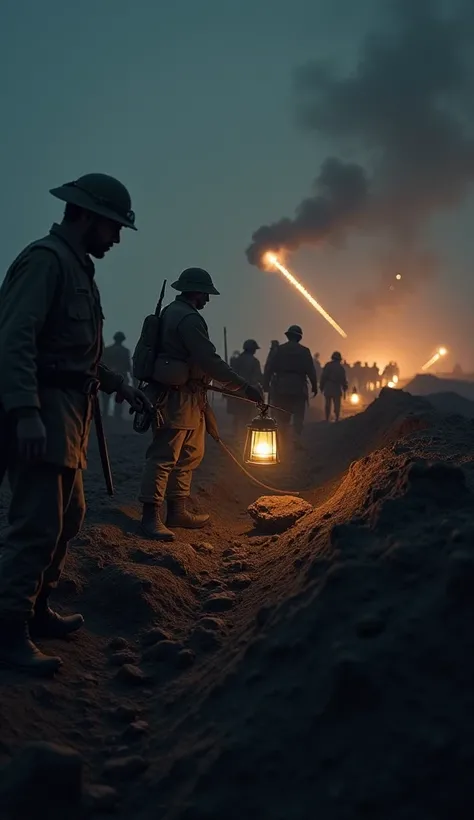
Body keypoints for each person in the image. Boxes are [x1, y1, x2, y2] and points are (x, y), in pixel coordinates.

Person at [0, 173, 151, 675]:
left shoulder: (76, 267)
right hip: (40, 411)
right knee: (36, 527)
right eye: (113, 227)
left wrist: (117, 384)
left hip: (66, 412)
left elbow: (72, 350)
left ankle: (37, 609)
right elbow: (16, 338)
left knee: (68, 519)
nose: (116, 239)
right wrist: (23, 412)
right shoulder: (46, 261)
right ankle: (8, 632)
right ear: (85, 215)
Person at [139, 268, 262, 541]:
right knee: (163, 457)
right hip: (177, 397)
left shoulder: (177, 313)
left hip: (192, 396)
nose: (208, 299)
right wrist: (244, 387)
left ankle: (178, 511)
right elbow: (209, 360)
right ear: (196, 292)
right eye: (206, 294)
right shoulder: (187, 318)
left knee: (189, 454)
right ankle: (150, 516)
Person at [263, 325, 317, 439]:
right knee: (298, 416)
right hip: (299, 387)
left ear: (288, 336)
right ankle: (296, 439)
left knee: (283, 415)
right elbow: (310, 370)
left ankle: (283, 439)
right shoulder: (305, 351)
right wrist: (314, 385)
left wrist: (266, 385)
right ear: (299, 337)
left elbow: (269, 368)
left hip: (281, 387)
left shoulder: (279, 350)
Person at [227, 340, 263, 435]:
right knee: (247, 414)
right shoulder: (255, 362)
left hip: (237, 390)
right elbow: (257, 377)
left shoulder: (236, 360)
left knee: (237, 414)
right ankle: (244, 434)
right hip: (249, 390)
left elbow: (231, 375)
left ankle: (237, 433)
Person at [100, 331, 133, 419]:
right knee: (119, 398)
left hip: (108, 376)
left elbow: (102, 364)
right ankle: (117, 417)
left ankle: (106, 416)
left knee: (106, 398)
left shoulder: (107, 350)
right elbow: (128, 366)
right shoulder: (125, 351)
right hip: (121, 377)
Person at [320, 351, 348, 422]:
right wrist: (344, 387)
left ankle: (327, 418)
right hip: (336, 387)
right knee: (337, 404)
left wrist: (321, 386)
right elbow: (343, 379)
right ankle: (337, 418)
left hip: (329, 386)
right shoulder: (340, 368)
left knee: (328, 404)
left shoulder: (328, 365)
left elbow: (323, 377)